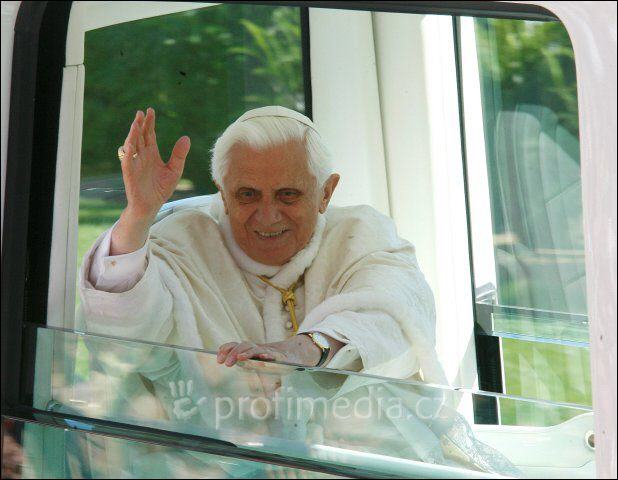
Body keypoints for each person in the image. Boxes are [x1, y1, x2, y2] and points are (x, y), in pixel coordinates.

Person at [78, 105, 443, 382]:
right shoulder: (182, 245)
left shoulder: (361, 235)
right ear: (223, 194)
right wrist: (138, 216)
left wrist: (306, 349)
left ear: (325, 193)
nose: (268, 216)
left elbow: (396, 314)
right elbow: (120, 345)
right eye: (248, 195)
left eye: (288, 195)